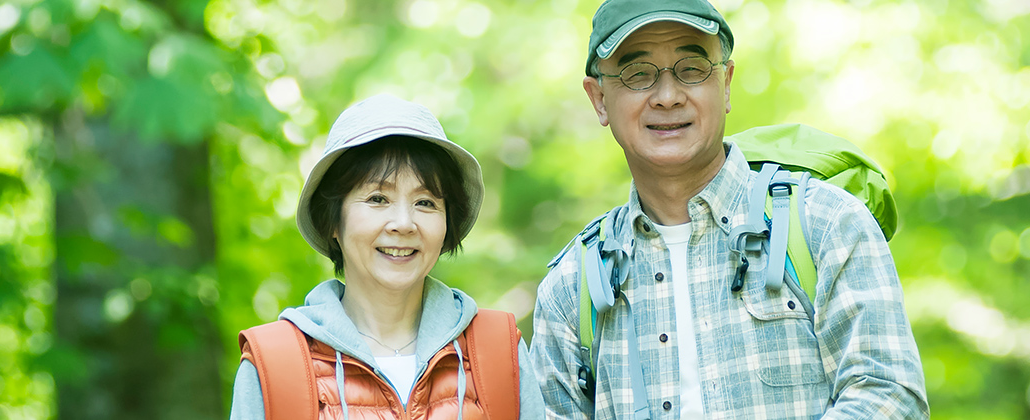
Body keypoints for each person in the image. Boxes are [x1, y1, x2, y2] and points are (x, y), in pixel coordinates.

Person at [530, 0, 929, 418]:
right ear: (599, 99)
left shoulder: (825, 223)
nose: (667, 97)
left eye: (691, 69)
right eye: (638, 74)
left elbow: (887, 394)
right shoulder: (573, 288)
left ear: (725, 84)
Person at [229, 94, 543, 418]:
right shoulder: (273, 363)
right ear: (333, 220)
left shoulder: (499, 351)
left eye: (426, 202)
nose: (404, 224)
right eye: (378, 198)